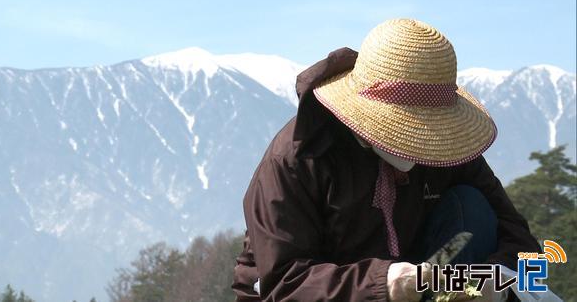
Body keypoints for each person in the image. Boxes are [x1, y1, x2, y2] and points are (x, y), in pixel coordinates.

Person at [232, 19, 541, 302]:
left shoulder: (449, 154)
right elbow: (285, 280)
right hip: (331, 292)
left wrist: (498, 283)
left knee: (471, 206)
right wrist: (386, 283)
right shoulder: (298, 159)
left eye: (431, 132)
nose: (421, 144)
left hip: (419, 283)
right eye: (409, 131)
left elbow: (520, 243)